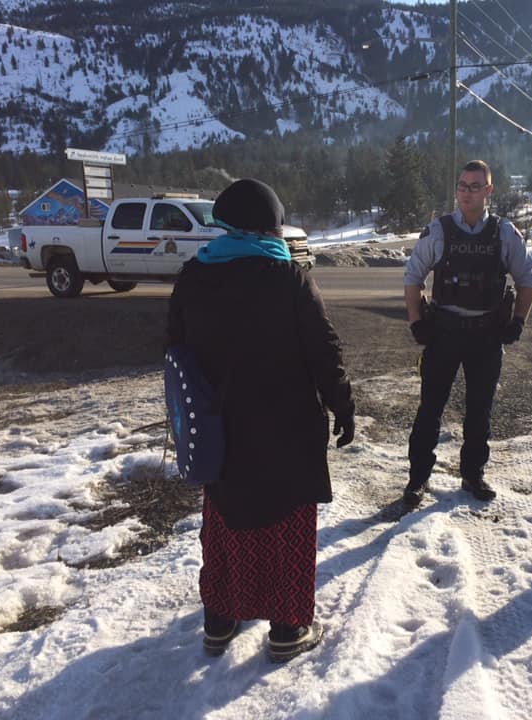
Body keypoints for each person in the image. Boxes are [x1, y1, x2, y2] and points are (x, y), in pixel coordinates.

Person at [166, 178, 355, 661]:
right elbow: (323, 351)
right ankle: (288, 629)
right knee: (287, 527)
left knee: (225, 524)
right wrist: (342, 405)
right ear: (269, 227)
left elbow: (175, 352)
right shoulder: (288, 277)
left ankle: (219, 620)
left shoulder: (193, 275)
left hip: (220, 434)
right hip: (286, 432)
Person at [402, 160, 532, 507]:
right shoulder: (439, 231)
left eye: (475, 186)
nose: (466, 192)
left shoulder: (505, 234)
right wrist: (417, 321)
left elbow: (528, 281)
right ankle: (417, 479)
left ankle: (473, 475)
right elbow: (412, 277)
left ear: (489, 191)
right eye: (462, 185)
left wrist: (518, 322)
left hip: (486, 336)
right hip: (444, 333)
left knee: (480, 410)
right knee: (429, 409)